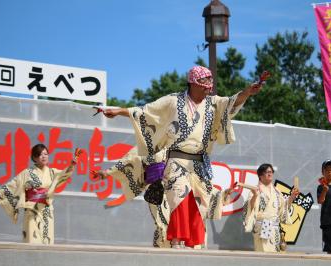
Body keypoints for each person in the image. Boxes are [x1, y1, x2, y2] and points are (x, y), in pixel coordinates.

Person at [94, 65, 265, 248]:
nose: (209, 85)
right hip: (176, 159)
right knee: (179, 198)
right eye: (204, 81)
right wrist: (118, 111)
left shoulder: (214, 103)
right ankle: (175, 241)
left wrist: (247, 92)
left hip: (200, 163)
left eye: (210, 80)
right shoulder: (173, 101)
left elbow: (232, 102)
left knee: (200, 207)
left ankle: (192, 245)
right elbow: (146, 111)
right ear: (193, 82)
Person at [0, 144, 81, 244]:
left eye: (46, 154)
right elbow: (10, 186)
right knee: (32, 241)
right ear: (34, 158)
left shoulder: (52, 172)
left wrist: (72, 164)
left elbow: (64, 173)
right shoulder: (26, 173)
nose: (44, 156)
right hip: (31, 212)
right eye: (40, 154)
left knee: (47, 242)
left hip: (46, 212)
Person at [243, 163, 299, 252]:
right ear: (260, 175)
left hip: (274, 229)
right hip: (261, 227)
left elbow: (283, 207)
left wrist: (292, 197)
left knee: (274, 257)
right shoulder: (256, 190)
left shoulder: (276, 191)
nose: (270, 174)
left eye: (271, 172)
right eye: (267, 172)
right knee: (263, 254)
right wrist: (255, 195)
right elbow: (251, 207)